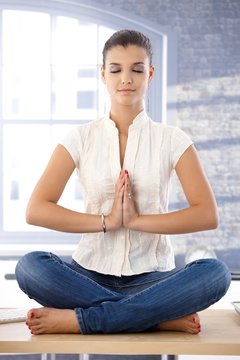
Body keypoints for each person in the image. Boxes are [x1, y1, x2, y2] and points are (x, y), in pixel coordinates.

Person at [15, 29, 231, 335]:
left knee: (215, 273)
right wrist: (108, 221)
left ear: (150, 74)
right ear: (103, 75)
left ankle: (85, 319)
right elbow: (36, 210)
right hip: (87, 276)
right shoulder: (79, 138)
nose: (126, 79)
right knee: (29, 267)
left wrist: (136, 220)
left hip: (153, 279)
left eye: (137, 69)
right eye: (116, 70)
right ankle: (153, 318)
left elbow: (206, 214)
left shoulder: (172, 139)